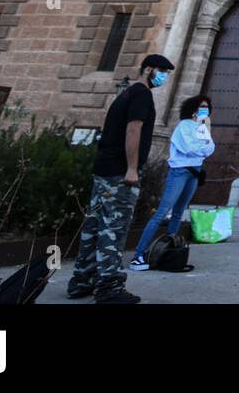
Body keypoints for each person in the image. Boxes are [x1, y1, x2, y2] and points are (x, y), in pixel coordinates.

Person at [67, 53, 174, 303]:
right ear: (148, 69)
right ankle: (109, 287)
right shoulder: (141, 94)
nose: (164, 77)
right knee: (113, 228)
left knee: (93, 226)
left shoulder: (124, 94)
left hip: (104, 168)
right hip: (118, 172)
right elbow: (133, 129)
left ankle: (82, 281)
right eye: (162, 71)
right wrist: (132, 168)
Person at [130, 94, 215, 270]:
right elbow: (190, 149)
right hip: (179, 172)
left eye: (207, 107)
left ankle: (168, 251)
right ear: (193, 109)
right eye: (202, 107)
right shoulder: (184, 125)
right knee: (162, 212)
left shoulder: (202, 128)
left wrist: (203, 145)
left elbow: (210, 148)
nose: (205, 110)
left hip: (194, 172)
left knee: (178, 213)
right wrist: (202, 148)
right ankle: (138, 255)